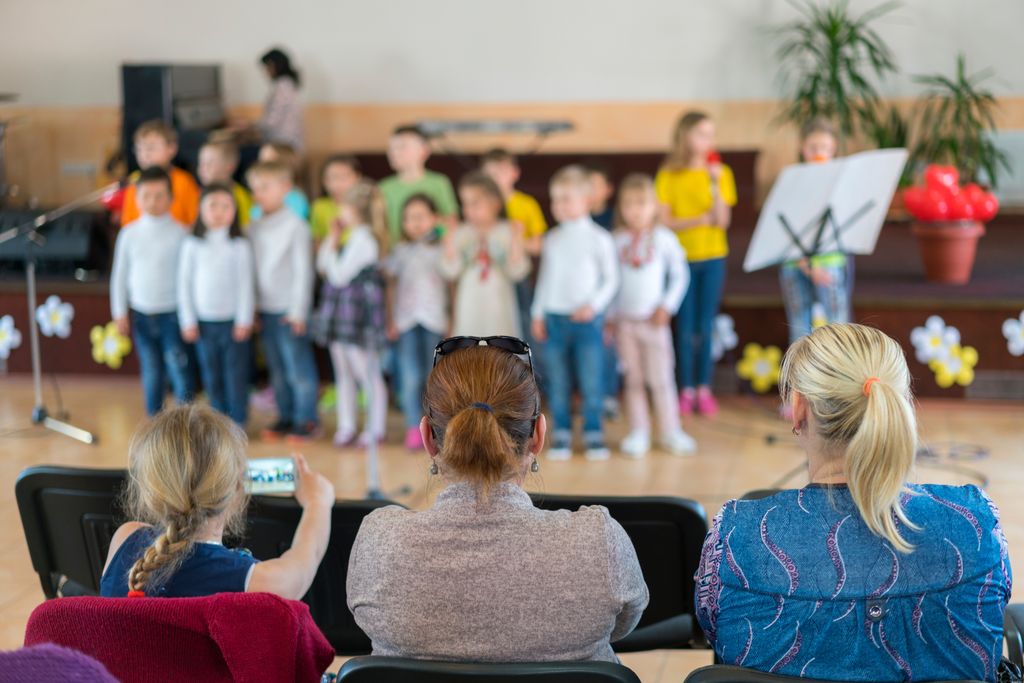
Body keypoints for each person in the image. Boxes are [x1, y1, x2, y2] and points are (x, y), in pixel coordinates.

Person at [695, 323, 1011, 681]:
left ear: (798, 408)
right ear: (899, 403)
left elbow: (716, 629)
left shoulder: (736, 540)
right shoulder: (976, 526)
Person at [347, 340, 648, 663]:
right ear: (538, 435)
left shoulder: (379, 541)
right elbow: (624, 623)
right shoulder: (598, 542)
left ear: (428, 438)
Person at [100, 404, 334, 600]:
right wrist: (317, 502)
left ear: (149, 488)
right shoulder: (256, 582)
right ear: (236, 487)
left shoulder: (125, 539)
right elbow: (305, 561)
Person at [531, 165, 618, 461]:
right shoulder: (553, 239)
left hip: (587, 321)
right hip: (555, 319)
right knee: (558, 380)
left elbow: (611, 280)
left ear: (587, 200)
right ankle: (562, 433)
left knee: (591, 378)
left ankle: (593, 432)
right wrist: (538, 313)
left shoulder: (599, 238)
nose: (559, 206)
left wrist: (592, 305)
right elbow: (546, 279)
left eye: (566, 198)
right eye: (555, 199)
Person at [656, 110, 737, 418]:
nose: (708, 141)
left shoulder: (720, 173)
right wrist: (699, 220)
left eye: (711, 135)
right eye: (702, 134)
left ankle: (704, 388)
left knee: (706, 325)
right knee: (685, 327)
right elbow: (665, 221)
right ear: (685, 136)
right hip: (680, 261)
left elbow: (722, 220)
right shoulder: (668, 174)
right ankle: (684, 389)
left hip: (714, 257)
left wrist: (714, 184)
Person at [608, 174, 694, 458]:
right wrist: (610, 316)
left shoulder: (664, 238)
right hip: (625, 322)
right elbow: (610, 281)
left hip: (653, 322)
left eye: (641, 203)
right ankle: (639, 431)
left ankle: (671, 431)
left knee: (661, 378)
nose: (635, 210)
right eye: (628, 204)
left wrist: (667, 306)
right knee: (633, 379)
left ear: (654, 206)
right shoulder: (615, 240)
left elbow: (680, 274)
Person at [110, 167, 194, 415]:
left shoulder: (182, 234)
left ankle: (184, 421)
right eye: (146, 195)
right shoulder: (128, 234)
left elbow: (187, 279)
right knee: (151, 369)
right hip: (141, 314)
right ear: (136, 199)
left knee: (179, 367)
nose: (153, 202)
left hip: (173, 314)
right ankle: (154, 422)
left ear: (171, 198)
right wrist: (119, 312)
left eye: (159, 195)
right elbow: (119, 276)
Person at [312, 181, 389, 448]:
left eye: (343, 207)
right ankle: (347, 425)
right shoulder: (351, 237)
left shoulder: (365, 239)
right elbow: (323, 265)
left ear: (355, 209)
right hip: (341, 310)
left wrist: (334, 248)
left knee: (364, 370)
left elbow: (339, 275)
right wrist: (332, 238)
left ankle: (375, 427)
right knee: (342, 370)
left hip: (356, 311)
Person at [247, 160, 320, 442]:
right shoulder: (253, 227)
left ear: (285, 188)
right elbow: (251, 272)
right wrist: (252, 307)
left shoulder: (296, 226)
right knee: (277, 369)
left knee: (298, 368)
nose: (258, 194)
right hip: (265, 310)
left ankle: (307, 419)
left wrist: (298, 311)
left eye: (264, 187)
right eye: (255, 188)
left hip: (290, 311)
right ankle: (286, 415)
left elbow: (303, 272)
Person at [177, 184, 255, 426]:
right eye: (213, 205)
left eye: (226, 206)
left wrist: (244, 319)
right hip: (203, 324)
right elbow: (184, 284)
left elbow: (246, 284)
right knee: (212, 376)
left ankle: (238, 423)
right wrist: (187, 320)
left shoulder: (240, 245)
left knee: (236, 375)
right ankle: (218, 425)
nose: (219, 212)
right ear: (201, 209)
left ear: (235, 211)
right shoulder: (192, 244)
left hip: (233, 324)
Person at [383, 194, 449, 451]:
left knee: (436, 378)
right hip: (406, 321)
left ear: (435, 219)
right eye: (409, 218)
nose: (415, 223)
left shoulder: (442, 249)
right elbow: (390, 285)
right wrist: (390, 319)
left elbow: (450, 285)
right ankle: (414, 426)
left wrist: (450, 317)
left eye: (421, 217)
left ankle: (439, 428)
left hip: (434, 319)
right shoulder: (400, 251)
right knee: (410, 377)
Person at [779, 117, 850, 344]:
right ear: (803, 148)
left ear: (834, 149)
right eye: (813, 148)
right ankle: (800, 379)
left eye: (826, 148)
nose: (819, 153)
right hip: (795, 264)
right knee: (800, 330)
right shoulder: (791, 181)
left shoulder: (841, 182)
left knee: (838, 329)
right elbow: (782, 227)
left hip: (830, 263)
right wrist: (807, 265)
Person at [440, 172, 529, 338]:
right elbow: (451, 270)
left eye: (475, 204)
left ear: (495, 203)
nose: (468, 210)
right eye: (464, 204)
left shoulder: (507, 231)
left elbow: (517, 271)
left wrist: (517, 238)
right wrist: (449, 238)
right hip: (469, 303)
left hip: (499, 305)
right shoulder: (461, 232)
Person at [378, 125, 459, 243]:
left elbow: (451, 222)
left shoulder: (439, 183)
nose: (394, 152)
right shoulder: (383, 187)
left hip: (431, 252)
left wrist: (429, 238)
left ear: (424, 151)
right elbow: (379, 227)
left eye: (402, 147)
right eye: (391, 148)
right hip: (395, 255)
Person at [120, 120, 201, 228]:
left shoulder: (184, 181)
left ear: (172, 148)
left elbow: (195, 222)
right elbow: (127, 223)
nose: (144, 154)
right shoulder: (134, 181)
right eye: (139, 149)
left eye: (151, 148)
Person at [480, 148, 547, 256]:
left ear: (515, 173)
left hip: (518, 265)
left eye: (502, 172)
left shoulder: (528, 204)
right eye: (491, 174)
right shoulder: (477, 205)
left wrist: (513, 239)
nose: (496, 178)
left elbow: (537, 246)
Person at [256, 48, 305, 152]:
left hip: (283, 143)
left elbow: (272, 121)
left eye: (267, 67)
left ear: (274, 66)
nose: (266, 72)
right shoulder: (287, 84)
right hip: (286, 141)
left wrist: (249, 126)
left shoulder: (283, 87)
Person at [196, 140, 252, 229]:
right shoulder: (199, 192)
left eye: (209, 163)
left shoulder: (240, 197)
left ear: (229, 166)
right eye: (201, 163)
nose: (203, 168)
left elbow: (246, 227)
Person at [310, 154, 362, 244]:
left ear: (357, 177)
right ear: (324, 181)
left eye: (344, 177)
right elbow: (317, 241)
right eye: (333, 177)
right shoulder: (319, 207)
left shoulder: (365, 204)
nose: (338, 183)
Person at [252, 143, 310, 219]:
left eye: (268, 163)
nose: (262, 166)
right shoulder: (260, 199)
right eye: (260, 161)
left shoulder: (295, 199)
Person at [586, 162, 616, 230]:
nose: (591, 191)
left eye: (596, 186)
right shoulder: (576, 218)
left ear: (609, 189)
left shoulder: (617, 218)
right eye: (588, 185)